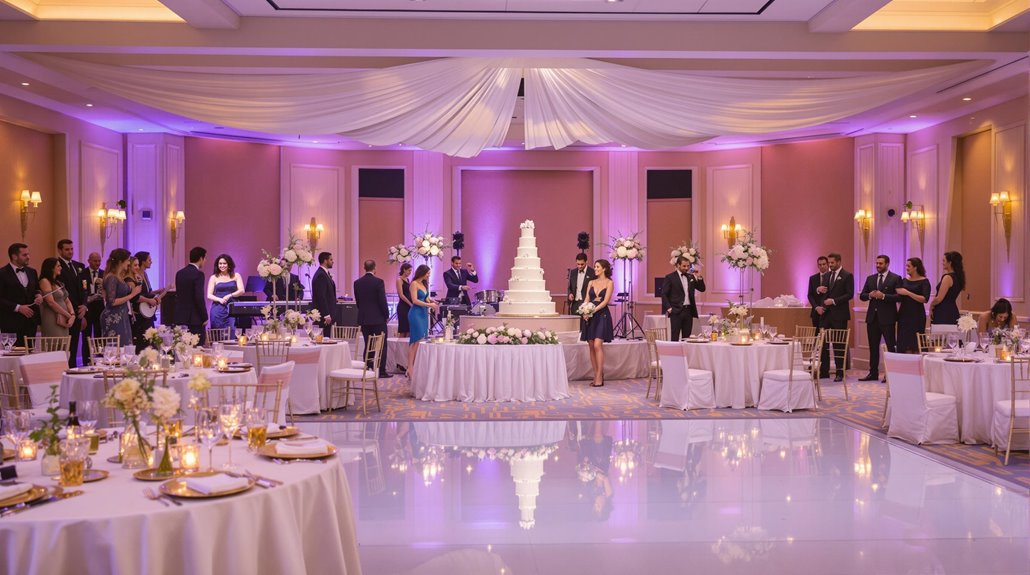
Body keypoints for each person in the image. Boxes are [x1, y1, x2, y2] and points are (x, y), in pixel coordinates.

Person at [858, 254, 902, 382]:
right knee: (873, 347)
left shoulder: (895, 278)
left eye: (880, 263)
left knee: (890, 346)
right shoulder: (870, 278)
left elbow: (899, 297)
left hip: (888, 318)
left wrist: (883, 296)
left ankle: (890, 374)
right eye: (877, 263)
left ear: (887, 264)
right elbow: (862, 296)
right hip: (872, 318)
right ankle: (873, 373)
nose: (878, 266)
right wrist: (870, 295)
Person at [817, 252, 853, 382]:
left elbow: (849, 294)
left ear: (838, 262)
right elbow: (824, 294)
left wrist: (833, 301)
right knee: (823, 344)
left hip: (839, 315)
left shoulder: (847, 275)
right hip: (826, 315)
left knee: (839, 344)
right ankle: (824, 371)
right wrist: (819, 291)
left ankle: (840, 372)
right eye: (829, 263)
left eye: (832, 263)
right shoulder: (826, 276)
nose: (830, 265)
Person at [0, 243, 42, 347]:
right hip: (11, 322)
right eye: (24, 255)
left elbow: (37, 289)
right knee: (13, 356)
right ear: (14, 256)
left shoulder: (32, 272)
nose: (28, 257)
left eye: (28, 254)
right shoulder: (2, 273)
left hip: (31, 322)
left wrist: (39, 295)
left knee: (29, 356)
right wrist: (18, 308)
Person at [354, 259, 390, 378]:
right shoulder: (378, 282)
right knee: (382, 345)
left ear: (364, 267)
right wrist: (386, 315)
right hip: (378, 318)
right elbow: (382, 301)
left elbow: (358, 301)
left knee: (368, 344)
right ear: (374, 268)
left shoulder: (357, 282)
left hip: (364, 318)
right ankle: (381, 370)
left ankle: (368, 367)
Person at [583, 259, 614, 387]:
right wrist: (585, 310)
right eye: (595, 267)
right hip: (590, 317)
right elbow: (587, 299)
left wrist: (593, 310)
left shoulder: (609, 283)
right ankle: (596, 374)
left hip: (602, 315)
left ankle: (600, 375)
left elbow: (605, 301)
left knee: (597, 345)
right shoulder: (591, 282)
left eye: (597, 267)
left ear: (604, 269)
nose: (595, 269)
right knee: (590, 345)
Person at [100, 248, 139, 347]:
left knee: (126, 346)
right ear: (121, 262)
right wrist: (131, 295)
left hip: (122, 316)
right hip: (113, 317)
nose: (129, 263)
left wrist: (137, 280)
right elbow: (111, 301)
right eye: (127, 260)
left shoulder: (119, 277)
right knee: (117, 348)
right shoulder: (111, 278)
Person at [661, 256, 706, 341]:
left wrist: (699, 277)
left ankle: (685, 354)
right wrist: (669, 308)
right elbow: (664, 294)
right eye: (684, 266)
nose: (686, 268)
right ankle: (674, 354)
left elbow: (702, 289)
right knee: (675, 337)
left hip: (688, 311)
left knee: (687, 338)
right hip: (676, 311)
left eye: (688, 266)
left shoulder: (691, 277)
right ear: (678, 265)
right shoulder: (670, 277)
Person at [57, 239, 87, 367]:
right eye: (67, 249)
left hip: (80, 310)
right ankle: (65, 370)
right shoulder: (57, 266)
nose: (70, 252)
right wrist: (73, 309)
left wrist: (84, 306)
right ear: (60, 250)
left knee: (75, 343)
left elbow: (85, 288)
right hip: (66, 311)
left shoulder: (79, 266)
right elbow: (63, 290)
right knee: (66, 345)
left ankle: (74, 368)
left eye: (72, 249)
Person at [407, 264, 439, 376]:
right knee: (415, 340)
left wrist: (432, 301)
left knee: (420, 340)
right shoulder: (414, 284)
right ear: (422, 272)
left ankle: (415, 366)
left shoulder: (424, 284)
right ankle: (410, 367)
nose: (429, 275)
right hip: (415, 314)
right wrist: (429, 304)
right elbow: (415, 300)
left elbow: (425, 297)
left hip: (423, 313)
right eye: (428, 273)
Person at [132, 251, 167, 351]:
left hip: (147, 312)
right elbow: (137, 295)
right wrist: (150, 300)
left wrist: (158, 291)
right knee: (142, 339)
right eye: (149, 260)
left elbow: (147, 292)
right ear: (143, 261)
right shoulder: (136, 275)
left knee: (151, 338)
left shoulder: (145, 275)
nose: (151, 262)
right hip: (140, 312)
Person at [895, 257, 931, 353]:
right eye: (906, 265)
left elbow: (924, 299)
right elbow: (899, 297)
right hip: (904, 314)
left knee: (916, 342)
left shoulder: (924, 281)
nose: (906, 268)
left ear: (915, 267)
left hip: (917, 315)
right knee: (903, 341)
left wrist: (908, 293)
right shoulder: (904, 280)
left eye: (908, 266)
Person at [174, 246, 208, 346]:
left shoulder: (179, 273)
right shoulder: (198, 274)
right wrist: (204, 317)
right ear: (201, 258)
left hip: (180, 317)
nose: (205, 261)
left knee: (182, 349)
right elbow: (199, 297)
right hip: (195, 319)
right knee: (196, 350)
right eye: (205, 258)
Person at [207, 254, 245, 339]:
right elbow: (209, 295)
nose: (222, 265)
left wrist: (230, 295)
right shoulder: (214, 277)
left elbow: (242, 290)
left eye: (224, 263)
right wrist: (219, 299)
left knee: (232, 330)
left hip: (232, 307)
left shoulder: (236, 275)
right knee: (217, 333)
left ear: (229, 264)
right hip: (218, 308)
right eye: (220, 263)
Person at [38, 257, 75, 338]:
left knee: (64, 344)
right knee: (54, 344)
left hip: (64, 318)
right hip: (52, 318)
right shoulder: (45, 281)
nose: (61, 268)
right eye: (58, 266)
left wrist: (72, 314)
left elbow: (67, 300)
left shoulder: (59, 283)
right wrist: (68, 316)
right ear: (51, 268)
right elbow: (51, 302)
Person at [79, 251, 104, 362]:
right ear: (89, 261)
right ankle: (86, 360)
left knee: (100, 336)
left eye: (99, 261)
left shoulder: (104, 273)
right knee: (86, 336)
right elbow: (80, 290)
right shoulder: (82, 274)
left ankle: (100, 358)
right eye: (95, 261)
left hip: (100, 308)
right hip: (87, 308)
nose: (97, 263)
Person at [929, 251, 964, 328]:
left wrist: (931, 306)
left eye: (944, 261)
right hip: (952, 310)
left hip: (943, 311)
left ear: (950, 263)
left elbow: (939, 298)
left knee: (941, 337)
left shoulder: (947, 277)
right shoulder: (959, 277)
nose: (942, 263)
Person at [567, 253, 596, 334]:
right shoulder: (572, 272)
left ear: (586, 262)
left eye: (582, 264)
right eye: (578, 264)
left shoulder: (592, 272)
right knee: (575, 325)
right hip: (575, 302)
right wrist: (570, 294)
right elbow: (570, 287)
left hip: (586, 302)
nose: (579, 266)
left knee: (586, 324)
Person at [311, 252, 338, 337]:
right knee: (325, 339)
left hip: (327, 314)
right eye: (331, 259)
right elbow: (321, 296)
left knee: (327, 338)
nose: (333, 261)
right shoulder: (321, 275)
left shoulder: (324, 273)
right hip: (324, 315)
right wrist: (326, 314)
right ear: (325, 261)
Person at [807, 256, 830, 329]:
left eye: (824, 264)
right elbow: (810, 295)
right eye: (820, 265)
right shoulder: (813, 278)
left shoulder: (832, 277)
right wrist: (816, 307)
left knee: (827, 338)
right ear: (817, 266)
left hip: (829, 312)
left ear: (828, 264)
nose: (822, 266)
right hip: (816, 312)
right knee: (816, 337)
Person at [395, 262, 413, 339]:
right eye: (409, 270)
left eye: (411, 271)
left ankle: (406, 348)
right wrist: (410, 304)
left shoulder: (408, 280)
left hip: (408, 306)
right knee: (403, 329)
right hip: (403, 306)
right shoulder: (399, 280)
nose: (410, 272)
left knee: (408, 329)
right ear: (404, 270)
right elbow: (401, 295)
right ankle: (400, 348)